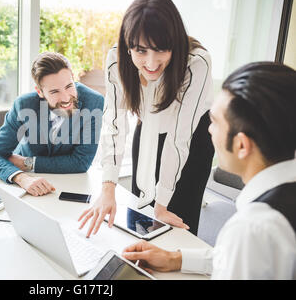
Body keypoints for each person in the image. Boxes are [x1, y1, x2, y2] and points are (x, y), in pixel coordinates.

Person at [122, 62, 296, 279]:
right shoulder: (266, 225)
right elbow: (242, 259)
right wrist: (175, 258)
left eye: (214, 122)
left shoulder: (252, 229)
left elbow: (245, 251)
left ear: (241, 145)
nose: (208, 130)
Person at [79, 0, 214, 237]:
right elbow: (114, 123)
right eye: (140, 50)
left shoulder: (196, 63)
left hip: (192, 138)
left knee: (175, 225)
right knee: (139, 222)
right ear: (128, 44)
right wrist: (107, 188)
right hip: (148, 129)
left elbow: (178, 138)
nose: (151, 63)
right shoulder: (116, 59)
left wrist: (161, 205)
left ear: (174, 43)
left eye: (161, 49)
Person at [0, 52, 104, 196]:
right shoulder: (24, 105)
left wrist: (28, 163)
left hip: (70, 183)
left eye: (69, 86)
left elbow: (81, 162)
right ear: (40, 92)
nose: (66, 98)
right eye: (54, 91)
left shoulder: (94, 102)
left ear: (73, 77)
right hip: (26, 183)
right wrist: (21, 177)